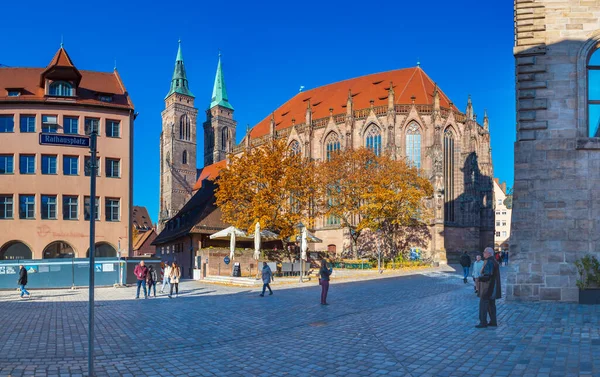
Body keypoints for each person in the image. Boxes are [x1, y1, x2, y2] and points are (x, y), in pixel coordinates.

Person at [476, 247, 502, 328]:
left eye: (484, 252)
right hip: (492, 287)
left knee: (483, 305)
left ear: (489, 253)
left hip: (487, 287)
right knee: (491, 305)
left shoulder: (489, 261)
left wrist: (479, 278)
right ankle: (493, 321)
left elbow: (488, 275)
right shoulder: (494, 261)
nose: (483, 254)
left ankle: (483, 322)